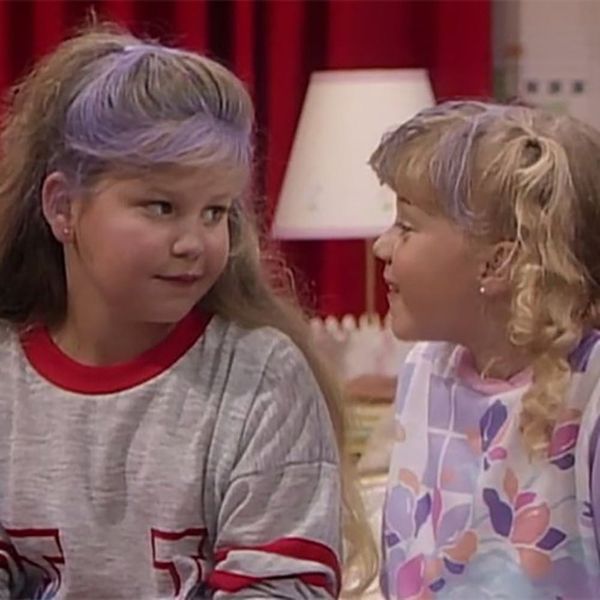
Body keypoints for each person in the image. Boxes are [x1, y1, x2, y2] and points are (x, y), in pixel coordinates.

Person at [0, 23, 376, 598]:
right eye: (161, 207)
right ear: (62, 207)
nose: (194, 243)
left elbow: (280, 588)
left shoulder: (260, 379)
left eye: (215, 212)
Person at [371, 100, 600, 598]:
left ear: (498, 264)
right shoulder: (426, 367)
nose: (380, 247)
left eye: (406, 227)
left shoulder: (590, 394)